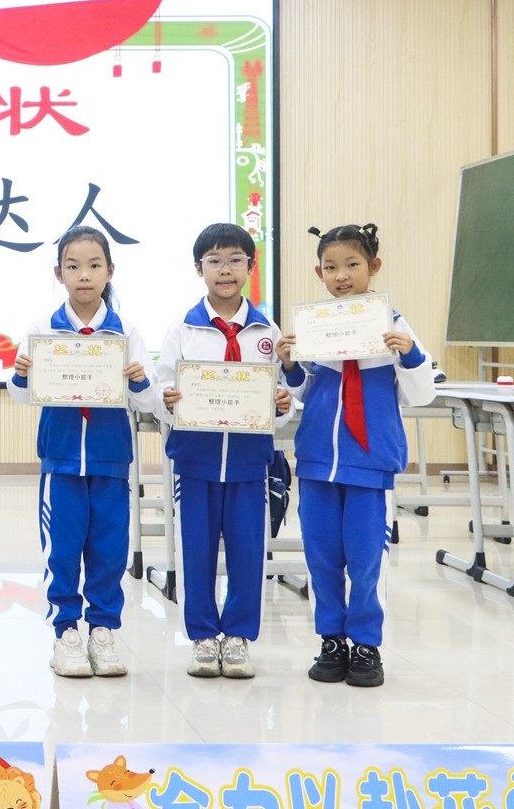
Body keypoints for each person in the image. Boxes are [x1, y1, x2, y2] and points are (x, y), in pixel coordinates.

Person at [278, 223, 436, 687]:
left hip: (370, 463)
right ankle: (331, 639)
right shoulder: (315, 324)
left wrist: (410, 355)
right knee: (321, 556)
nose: (341, 275)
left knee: (367, 560)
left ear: (374, 267)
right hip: (316, 463)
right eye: (331, 267)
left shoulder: (394, 324)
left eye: (352, 264)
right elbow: (301, 391)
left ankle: (367, 645)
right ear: (319, 273)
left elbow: (422, 394)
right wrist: (289, 365)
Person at [6, 225, 160, 678]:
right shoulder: (43, 330)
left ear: (110, 270)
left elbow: (149, 401)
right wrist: (21, 374)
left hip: (111, 459)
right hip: (61, 459)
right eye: (73, 266)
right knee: (63, 550)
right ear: (59, 273)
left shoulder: (125, 331)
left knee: (109, 550)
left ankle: (103, 631)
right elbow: (22, 396)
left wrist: (139, 381)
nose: (84, 275)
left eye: (94, 265)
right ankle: (66, 633)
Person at [154, 223, 292, 680]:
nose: (225, 270)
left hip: (251, 463)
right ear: (199, 269)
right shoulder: (183, 329)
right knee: (196, 553)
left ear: (251, 266)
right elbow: (161, 388)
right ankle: (201, 637)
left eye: (235, 260)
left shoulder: (267, 331)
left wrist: (283, 406)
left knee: (248, 553)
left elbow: (281, 395)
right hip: (195, 461)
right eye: (214, 261)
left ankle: (237, 637)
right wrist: (167, 400)